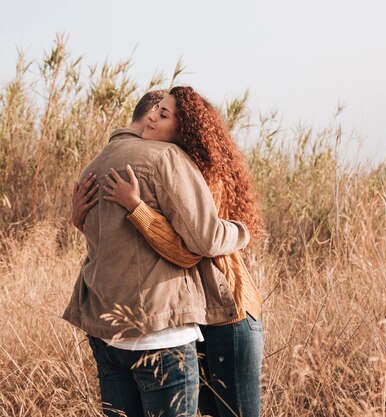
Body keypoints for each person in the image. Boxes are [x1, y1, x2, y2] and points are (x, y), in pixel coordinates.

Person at [73, 86, 265, 417]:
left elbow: (190, 249)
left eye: (163, 114)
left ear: (184, 127)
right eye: (154, 109)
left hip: (228, 311)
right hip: (198, 314)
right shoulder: (167, 163)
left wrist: (137, 208)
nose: (152, 117)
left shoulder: (189, 168)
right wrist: (79, 219)